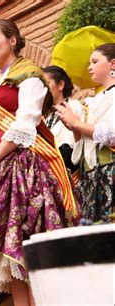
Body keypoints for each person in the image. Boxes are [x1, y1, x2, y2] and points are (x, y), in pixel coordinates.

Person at [0, 19, 79, 305]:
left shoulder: (30, 76)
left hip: (22, 169)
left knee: (26, 257)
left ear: (13, 40)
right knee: (7, 263)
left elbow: (25, 125)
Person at [55, 43, 115, 223]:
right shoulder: (95, 100)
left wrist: (77, 123)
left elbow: (112, 133)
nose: (90, 67)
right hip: (90, 175)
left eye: (95, 61)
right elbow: (83, 144)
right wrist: (74, 128)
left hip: (110, 171)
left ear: (113, 64)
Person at [42, 65, 82, 172]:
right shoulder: (46, 114)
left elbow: (71, 147)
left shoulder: (74, 107)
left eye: (46, 83)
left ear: (60, 85)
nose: (42, 88)